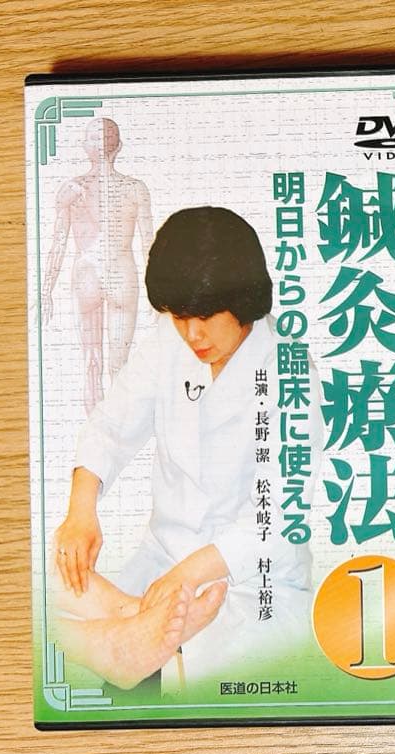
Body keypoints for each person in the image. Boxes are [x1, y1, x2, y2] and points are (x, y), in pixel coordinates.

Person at [52, 206, 315, 687]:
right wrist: (80, 510)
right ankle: (126, 620)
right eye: (178, 317)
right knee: (42, 581)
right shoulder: (168, 342)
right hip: (163, 558)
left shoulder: (292, 374)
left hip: (248, 581)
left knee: (191, 671)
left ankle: (122, 633)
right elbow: (112, 422)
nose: (192, 334)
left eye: (206, 316)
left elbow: (278, 517)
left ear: (244, 300)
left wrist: (186, 577)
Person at [41, 117, 154, 413]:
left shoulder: (71, 190)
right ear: (120, 147)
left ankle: (97, 433)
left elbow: (58, 243)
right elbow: (149, 245)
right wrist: (160, 297)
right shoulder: (135, 189)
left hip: (86, 274)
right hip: (121, 274)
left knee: (91, 363)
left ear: (85, 147)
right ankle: (117, 430)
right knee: (119, 365)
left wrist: (45, 290)